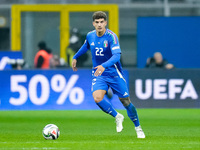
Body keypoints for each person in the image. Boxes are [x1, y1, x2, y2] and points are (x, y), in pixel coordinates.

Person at [72, 11, 145, 138]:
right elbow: (85, 46)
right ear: (93, 23)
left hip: (113, 73)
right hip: (99, 74)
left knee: (126, 101)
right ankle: (117, 116)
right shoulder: (90, 36)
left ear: (105, 23)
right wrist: (75, 57)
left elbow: (117, 56)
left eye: (102, 22)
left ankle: (138, 128)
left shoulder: (111, 36)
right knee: (97, 98)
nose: (99, 25)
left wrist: (103, 65)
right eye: (97, 22)